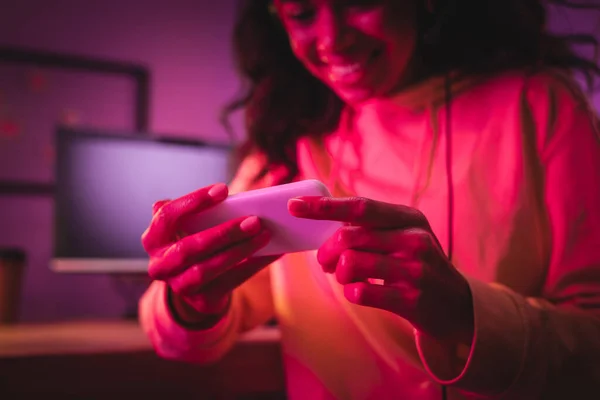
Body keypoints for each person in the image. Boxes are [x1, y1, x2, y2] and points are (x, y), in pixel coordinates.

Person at [139, 0, 600, 399]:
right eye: (301, 13)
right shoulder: (289, 142)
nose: (332, 40)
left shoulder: (540, 108)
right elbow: (183, 338)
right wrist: (190, 298)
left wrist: (464, 314)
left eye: (358, 2)